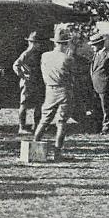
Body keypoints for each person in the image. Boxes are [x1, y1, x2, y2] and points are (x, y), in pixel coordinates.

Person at [32, 26, 75, 160]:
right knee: (61, 122)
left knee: (44, 120)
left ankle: (34, 150)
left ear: (54, 42)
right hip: (64, 90)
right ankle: (57, 153)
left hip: (49, 89)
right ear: (66, 43)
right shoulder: (68, 59)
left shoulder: (45, 56)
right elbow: (72, 76)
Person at [12, 31, 44, 135]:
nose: (40, 45)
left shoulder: (37, 53)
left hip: (36, 81)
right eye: (38, 43)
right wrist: (23, 76)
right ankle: (21, 127)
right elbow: (16, 65)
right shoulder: (26, 53)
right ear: (33, 43)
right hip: (27, 82)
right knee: (24, 104)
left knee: (38, 104)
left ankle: (36, 126)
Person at [88, 33, 109, 134]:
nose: (92, 47)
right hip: (95, 86)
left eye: (94, 45)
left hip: (105, 86)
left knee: (106, 108)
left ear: (100, 44)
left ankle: (106, 127)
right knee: (97, 108)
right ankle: (97, 127)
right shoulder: (95, 55)